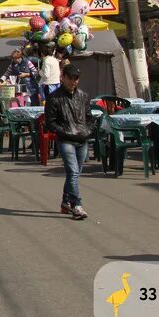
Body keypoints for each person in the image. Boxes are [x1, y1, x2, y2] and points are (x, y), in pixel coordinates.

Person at [45, 64, 92, 221]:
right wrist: (65, 131)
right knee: (72, 172)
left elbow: (89, 118)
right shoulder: (54, 98)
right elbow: (50, 123)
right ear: (62, 77)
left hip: (82, 140)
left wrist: (88, 131)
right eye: (70, 78)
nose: (73, 81)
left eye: (76, 78)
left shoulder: (84, 96)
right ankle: (76, 205)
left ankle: (65, 202)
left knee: (75, 173)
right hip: (66, 140)